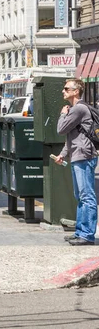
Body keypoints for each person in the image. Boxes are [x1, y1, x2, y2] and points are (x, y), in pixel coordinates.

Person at [55, 79, 98, 246]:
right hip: (77, 155)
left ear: (76, 91)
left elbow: (61, 129)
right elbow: (71, 137)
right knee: (80, 196)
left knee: (87, 196)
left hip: (84, 156)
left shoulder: (78, 108)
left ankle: (87, 235)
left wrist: (62, 114)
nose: (63, 91)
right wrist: (63, 154)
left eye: (66, 89)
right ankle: (80, 231)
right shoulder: (75, 109)